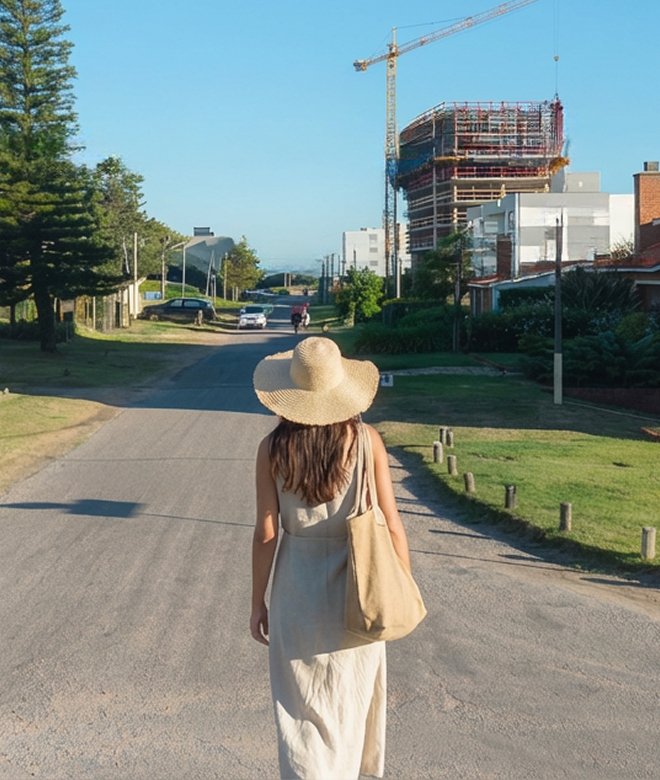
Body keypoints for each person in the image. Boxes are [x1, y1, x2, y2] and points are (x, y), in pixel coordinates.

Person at [251, 337, 412, 780]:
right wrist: (400, 585)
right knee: (352, 703)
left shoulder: (272, 449)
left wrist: (257, 602)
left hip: (296, 589)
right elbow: (392, 523)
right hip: (360, 586)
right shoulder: (367, 442)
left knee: (299, 713)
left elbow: (266, 533)